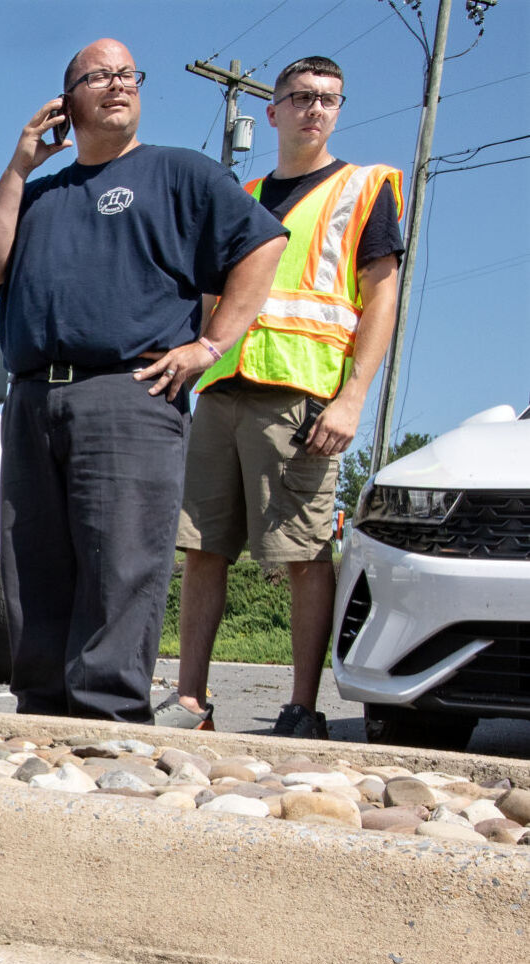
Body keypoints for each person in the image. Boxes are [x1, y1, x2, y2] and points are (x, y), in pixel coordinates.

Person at [0, 38, 287, 723]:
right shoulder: (40, 195)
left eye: (127, 74)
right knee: (34, 566)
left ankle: (107, 718)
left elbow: (264, 244)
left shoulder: (180, 174)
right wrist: (20, 166)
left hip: (129, 393)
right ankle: (43, 712)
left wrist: (212, 344)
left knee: (120, 563)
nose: (118, 84)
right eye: (97, 76)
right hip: (32, 396)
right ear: (64, 103)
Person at [161, 56, 403, 736]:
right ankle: (190, 701)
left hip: (304, 399)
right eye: (299, 97)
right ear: (271, 112)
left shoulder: (362, 188)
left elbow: (380, 297)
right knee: (202, 547)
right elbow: (212, 293)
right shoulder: (244, 191)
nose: (314, 109)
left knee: (300, 553)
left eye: (328, 98)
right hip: (225, 390)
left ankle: (302, 708)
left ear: (339, 108)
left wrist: (354, 396)